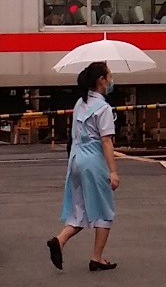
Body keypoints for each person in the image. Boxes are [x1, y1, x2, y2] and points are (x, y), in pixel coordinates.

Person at [49, 61, 119, 272]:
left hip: (76, 160)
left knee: (79, 208)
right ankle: (97, 258)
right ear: (101, 81)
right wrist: (113, 171)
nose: (111, 81)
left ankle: (59, 240)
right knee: (104, 211)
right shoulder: (103, 108)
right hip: (93, 162)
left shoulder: (80, 103)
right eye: (109, 76)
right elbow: (106, 141)